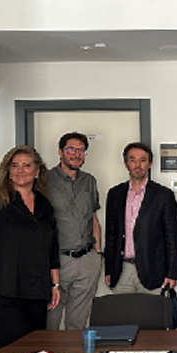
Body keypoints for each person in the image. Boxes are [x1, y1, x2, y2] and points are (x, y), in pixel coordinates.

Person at [0, 146, 60, 351]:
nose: (20, 170)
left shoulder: (44, 205)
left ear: (37, 170)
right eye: (15, 165)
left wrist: (55, 285)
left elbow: (51, 247)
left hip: (36, 293)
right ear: (8, 171)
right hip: (1, 292)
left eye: (26, 165)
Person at [105, 142, 177, 295]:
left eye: (143, 160)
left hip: (153, 271)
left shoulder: (163, 195)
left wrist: (172, 273)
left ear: (150, 164)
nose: (137, 165)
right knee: (122, 311)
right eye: (132, 160)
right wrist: (109, 270)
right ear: (126, 164)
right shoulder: (115, 194)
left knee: (151, 311)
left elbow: (172, 238)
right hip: (121, 271)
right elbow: (111, 236)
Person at [44, 132, 102, 331]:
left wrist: (98, 254)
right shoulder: (45, 180)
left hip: (87, 259)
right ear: (60, 152)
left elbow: (93, 218)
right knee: (50, 322)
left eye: (81, 150)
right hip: (57, 261)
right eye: (71, 149)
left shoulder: (89, 181)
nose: (76, 154)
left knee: (77, 324)